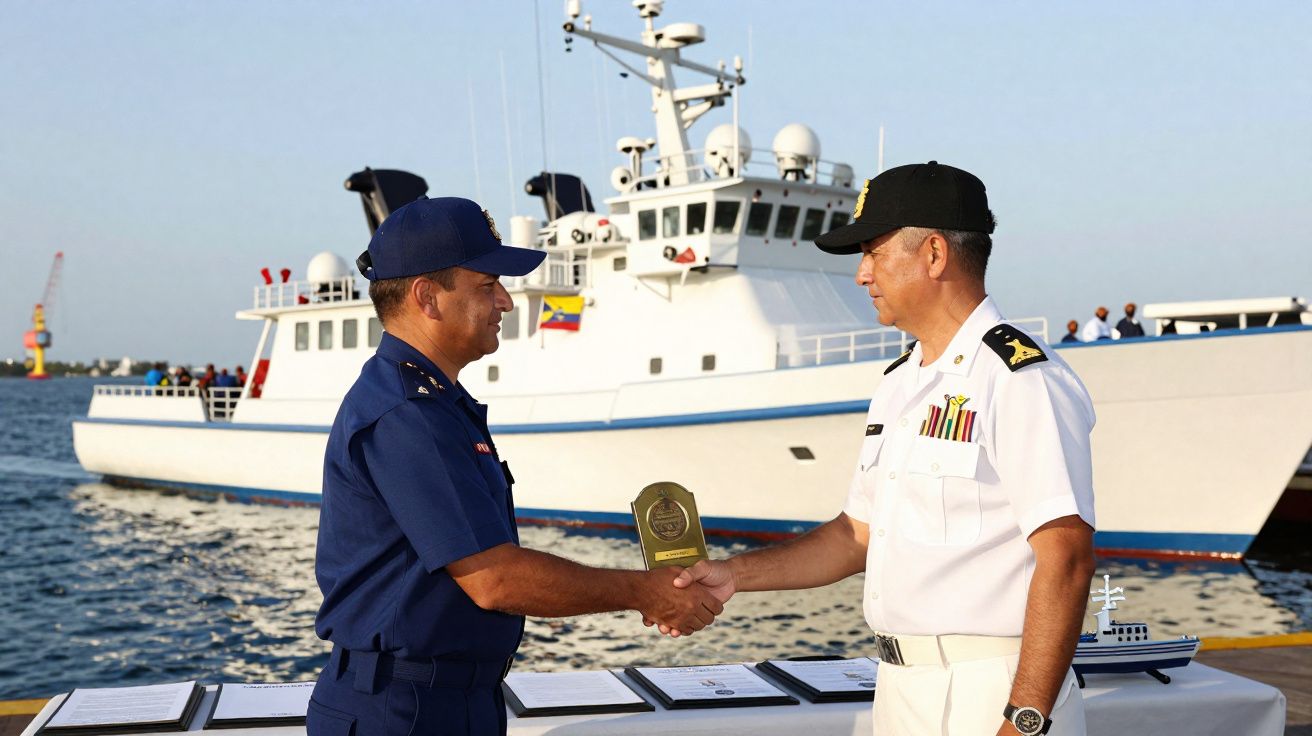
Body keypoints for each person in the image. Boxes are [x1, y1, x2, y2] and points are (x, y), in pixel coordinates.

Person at [665, 163, 1096, 736]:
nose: (862, 274)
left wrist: (1024, 719)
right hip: (899, 689)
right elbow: (855, 536)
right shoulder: (900, 383)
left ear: (935, 255)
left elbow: (1065, 556)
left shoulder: (1018, 377)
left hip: (993, 690)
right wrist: (734, 575)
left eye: (873, 252)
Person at [307, 196, 722, 736]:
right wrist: (645, 590)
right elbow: (494, 579)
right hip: (403, 711)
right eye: (487, 285)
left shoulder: (437, 404)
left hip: (449, 700)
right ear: (427, 297)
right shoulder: (407, 414)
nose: (505, 301)